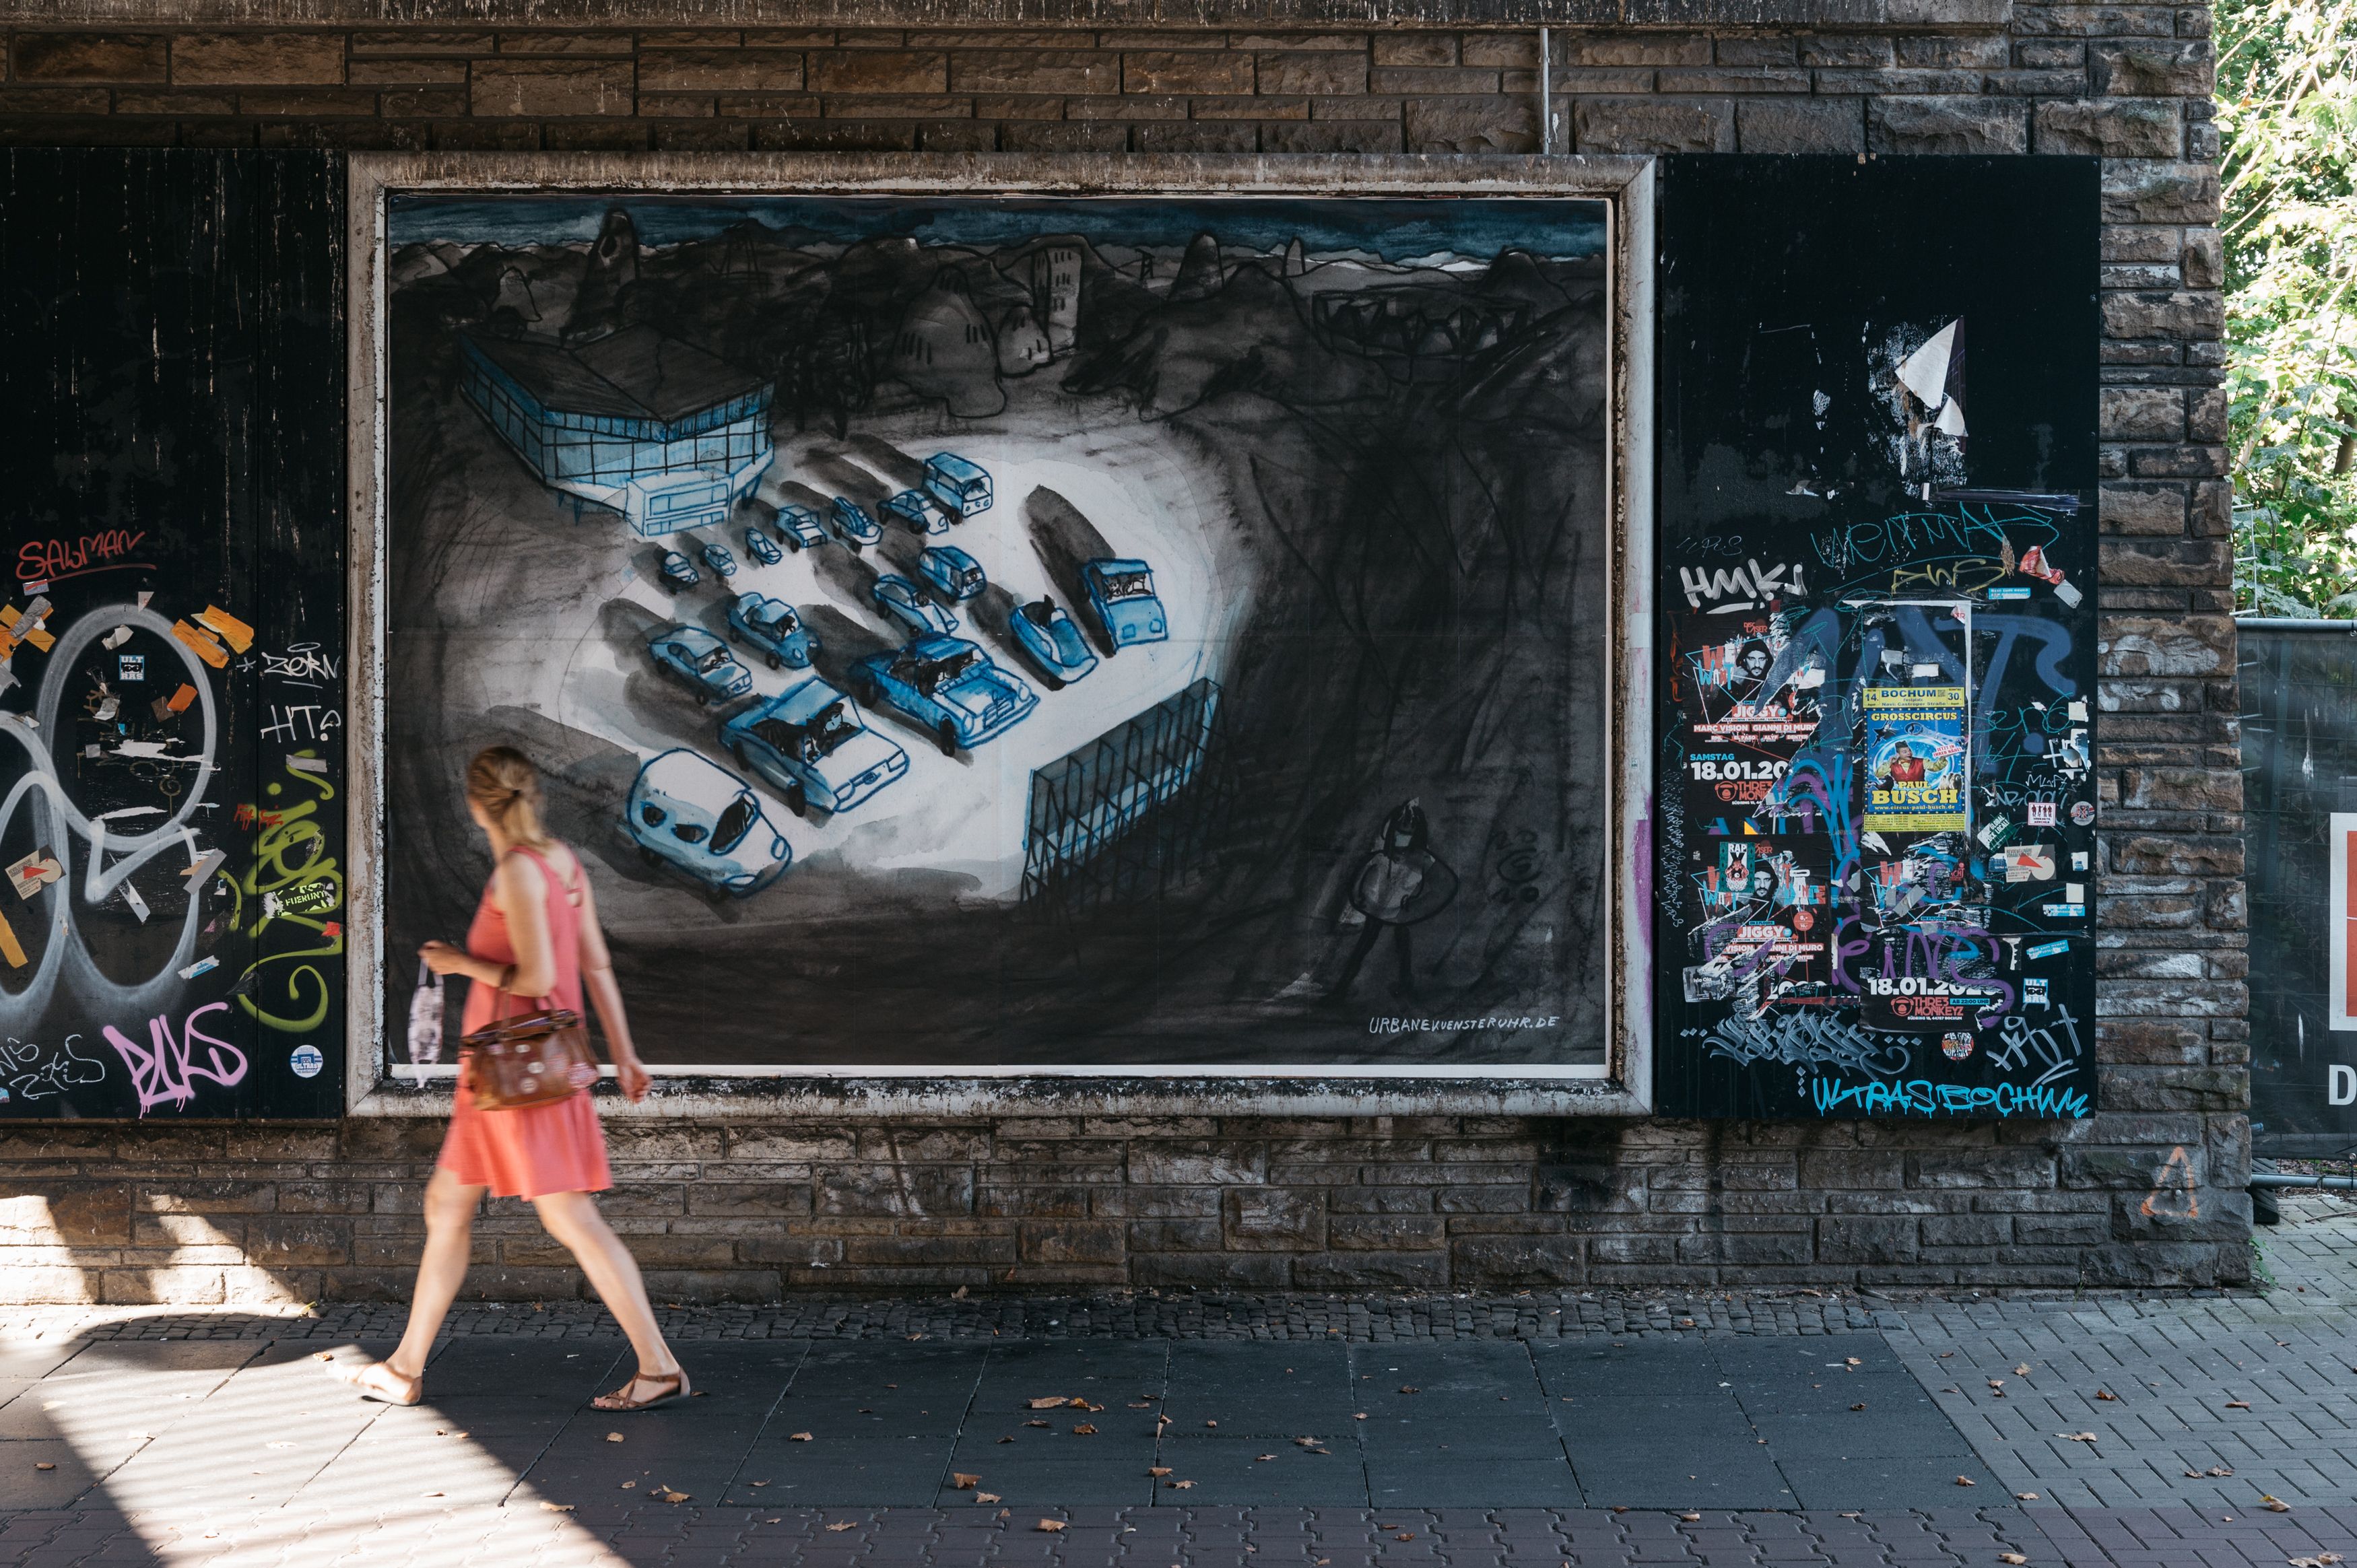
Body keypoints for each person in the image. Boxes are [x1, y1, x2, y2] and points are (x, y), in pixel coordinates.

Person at [339, 746, 688, 1413]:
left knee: (570, 1215)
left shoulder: (518, 877)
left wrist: (456, 962)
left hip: (520, 1081)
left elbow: (532, 979)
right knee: (448, 1204)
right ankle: (404, 1365)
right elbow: (596, 964)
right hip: (507, 1079)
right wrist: (625, 1053)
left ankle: (659, 1364)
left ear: (477, 805)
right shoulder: (562, 864)